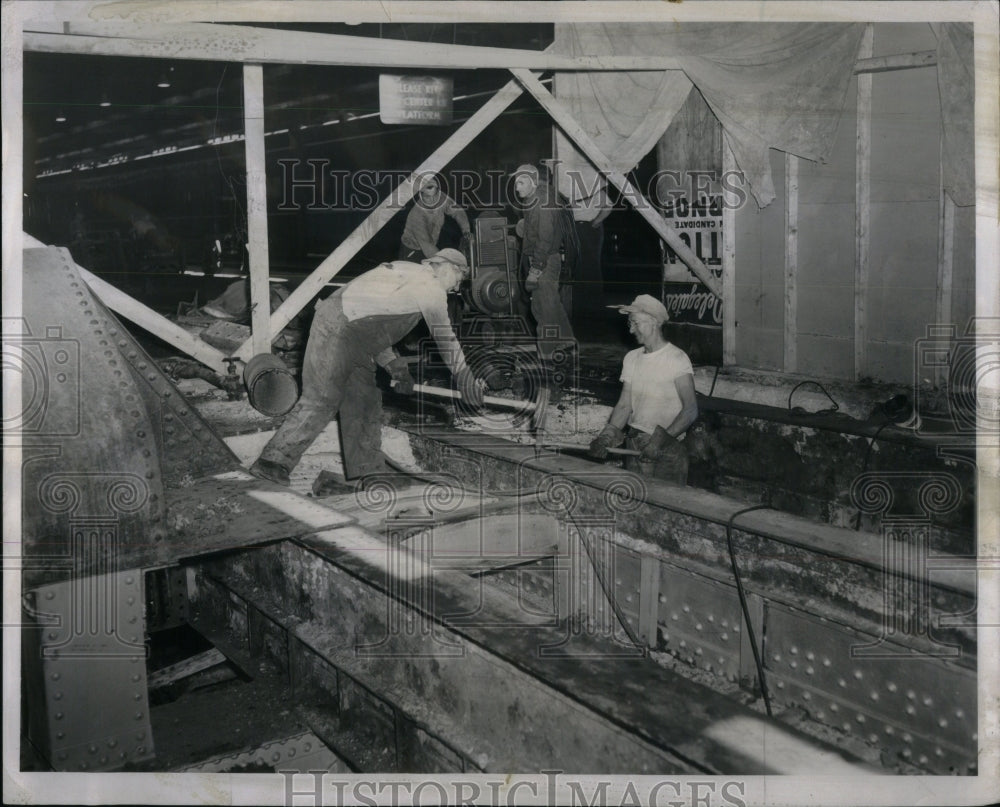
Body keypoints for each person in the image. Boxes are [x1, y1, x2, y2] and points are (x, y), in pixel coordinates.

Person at [249, 248, 484, 489]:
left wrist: (394, 365)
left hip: (352, 333)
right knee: (322, 397)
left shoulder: (408, 273)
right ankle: (271, 462)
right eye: (458, 279)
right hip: (338, 328)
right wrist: (464, 377)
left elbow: (370, 322)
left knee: (364, 400)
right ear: (448, 267)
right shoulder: (430, 286)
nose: (455, 287)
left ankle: (367, 470)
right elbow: (444, 336)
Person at [589, 294, 698, 485]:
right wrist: (606, 436)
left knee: (668, 506)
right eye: (629, 323)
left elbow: (690, 410)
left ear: (654, 322)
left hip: (668, 449)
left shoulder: (676, 359)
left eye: (635, 323)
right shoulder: (632, 358)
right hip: (635, 444)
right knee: (637, 504)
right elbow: (624, 406)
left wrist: (659, 441)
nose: (631, 329)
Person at [512, 163, 576, 391]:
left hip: (545, 261)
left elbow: (545, 239)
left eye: (520, 183)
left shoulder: (543, 202)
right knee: (552, 305)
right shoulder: (539, 198)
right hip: (545, 259)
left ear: (532, 181)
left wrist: (535, 270)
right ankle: (567, 344)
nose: (517, 189)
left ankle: (547, 360)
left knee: (543, 310)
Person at [399, 174, 471, 260]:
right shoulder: (417, 215)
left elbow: (458, 211)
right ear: (420, 196)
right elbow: (427, 246)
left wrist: (466, 231)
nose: (433, 200)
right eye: (428, 197)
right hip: (413, 251)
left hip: (431, 244)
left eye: (435, 195)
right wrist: (447, 262)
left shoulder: (441, 198)